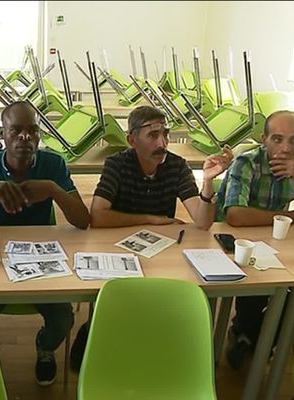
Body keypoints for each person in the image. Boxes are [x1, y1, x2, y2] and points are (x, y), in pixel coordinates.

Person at [70, 105, 234, 372]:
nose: (162, 143)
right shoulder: (118, 165)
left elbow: (203, 221)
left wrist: (206, 183)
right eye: (153, 135)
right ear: (132, 140)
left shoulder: (177, 166)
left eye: (165, 134)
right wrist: (151, 218)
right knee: (118, 301)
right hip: (115, 251)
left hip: (159, 253)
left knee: (168, 297)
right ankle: (92, 337)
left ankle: (162, 352)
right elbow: (98, 217)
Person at [0, 101, 90, 386]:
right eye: (16, 130)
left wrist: (52, 189)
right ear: (2, 134)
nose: (25, 137)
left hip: (43, 260)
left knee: (63, 319)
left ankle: (45, 347)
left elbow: (82, 220)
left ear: (38, 135)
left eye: (32, 130)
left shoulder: (53, 164)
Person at [218, 110, 294, 369]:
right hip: (231, 242)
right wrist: (291, 215)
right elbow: (235, 215)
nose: (286, 148)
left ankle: (257, 338)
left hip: (276, 243)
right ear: (264, 139)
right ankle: (246, 334)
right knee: (258, 281)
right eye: (278, 139)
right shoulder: (247, 163)